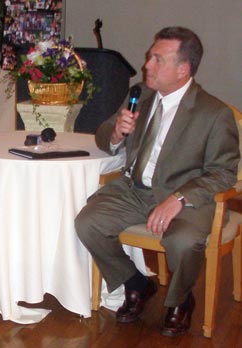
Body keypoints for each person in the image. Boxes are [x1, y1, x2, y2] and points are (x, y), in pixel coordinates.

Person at [75, 27, 239, 337]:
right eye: (151, 57)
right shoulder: (141, 94)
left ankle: (180, 301)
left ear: (183, 69)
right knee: (88, 222)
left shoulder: (214, 113)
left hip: (185, 198)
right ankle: (136, 283)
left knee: (183, 241)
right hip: (135, 190)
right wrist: (115, 134)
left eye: (157, 59)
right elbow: (102, 134)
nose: (147, 65)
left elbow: (224, 172)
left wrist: (178, 198)